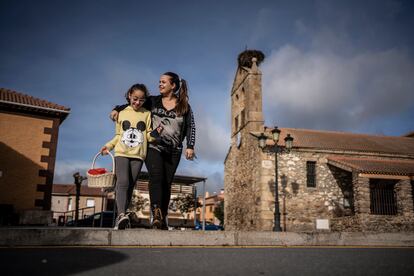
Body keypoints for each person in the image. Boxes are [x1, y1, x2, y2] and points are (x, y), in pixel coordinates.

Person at [111, 72, 196, 229]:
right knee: (156, 176)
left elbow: (191, 126)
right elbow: (134, 103)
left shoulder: (184, 106)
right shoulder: (153, 101)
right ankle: (156, 210)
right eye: (159, 82)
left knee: (166, 183)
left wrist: (190, 146)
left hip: (174, 150)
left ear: (173, 86)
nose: (160, 84)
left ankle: (161, 218)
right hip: (153, 147)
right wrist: (117, 109)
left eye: (163, 82)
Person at [102, 83, 155, 230]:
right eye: (135, 98)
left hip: (138, 155)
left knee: (130, 185)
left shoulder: (147, 114)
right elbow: (118, 135)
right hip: (122, 153)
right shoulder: (122, 112)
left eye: (141, 100)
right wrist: (108, 146)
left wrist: (156, 134)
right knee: (123, 182)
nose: (137, 102)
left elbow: (148, 135)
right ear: (130, 95)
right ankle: (120, 215)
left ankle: (122, 217)